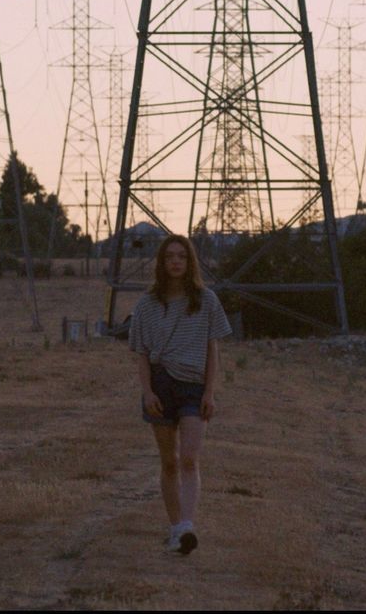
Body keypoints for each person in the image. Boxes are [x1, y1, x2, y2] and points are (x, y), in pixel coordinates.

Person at [129, 234, 232, 555]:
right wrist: (146, 392)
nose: (176, 261)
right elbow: (142, 354)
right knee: (169, 462)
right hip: (160, 384)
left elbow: (212, 349)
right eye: (170, 256)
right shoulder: (146, 305)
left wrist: (210, 391)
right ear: (161, 263)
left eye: (182, 257)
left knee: (189, 457)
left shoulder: (206, 300)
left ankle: (187, 525)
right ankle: (175, 528)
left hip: (193, 386)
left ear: (190, 263)